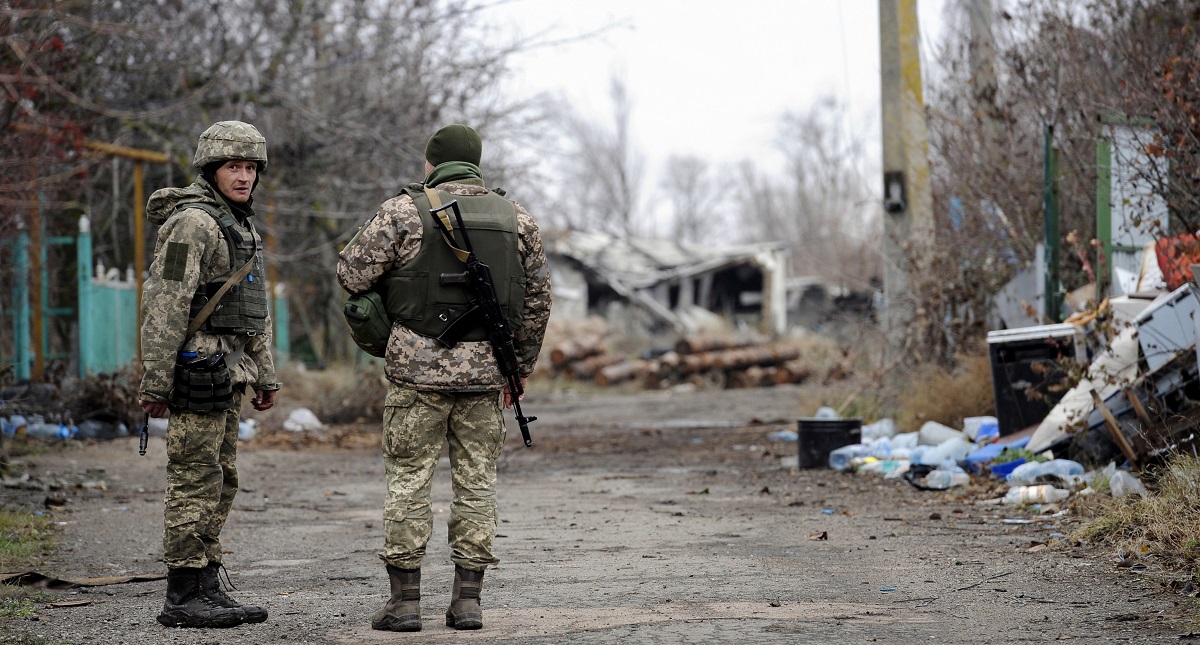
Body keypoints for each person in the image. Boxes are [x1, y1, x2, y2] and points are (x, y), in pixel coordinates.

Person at [336, 124, 552, 632]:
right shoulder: (517, 219)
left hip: (415, 376)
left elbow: (351, 275)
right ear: (476, 163)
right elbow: (538, 302)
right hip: (487, 376)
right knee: (477, 483)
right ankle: (468, 603)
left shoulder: (403, 211)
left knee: (408, 481)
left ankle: (405, 604)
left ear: (432, 164)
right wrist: (518, 368)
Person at [138, 120, 281, 629]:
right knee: (194, 478)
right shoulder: (193, 224)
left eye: (251, 168)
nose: (243, 177)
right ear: (211, 170)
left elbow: (253, 311)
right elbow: (165, 304)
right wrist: (156, 381)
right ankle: (182, 594)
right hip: (197, 369)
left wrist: (265, 375)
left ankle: (206, 582)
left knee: (221, 479)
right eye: (233, 167)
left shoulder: (240, 226)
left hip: (230, 370)